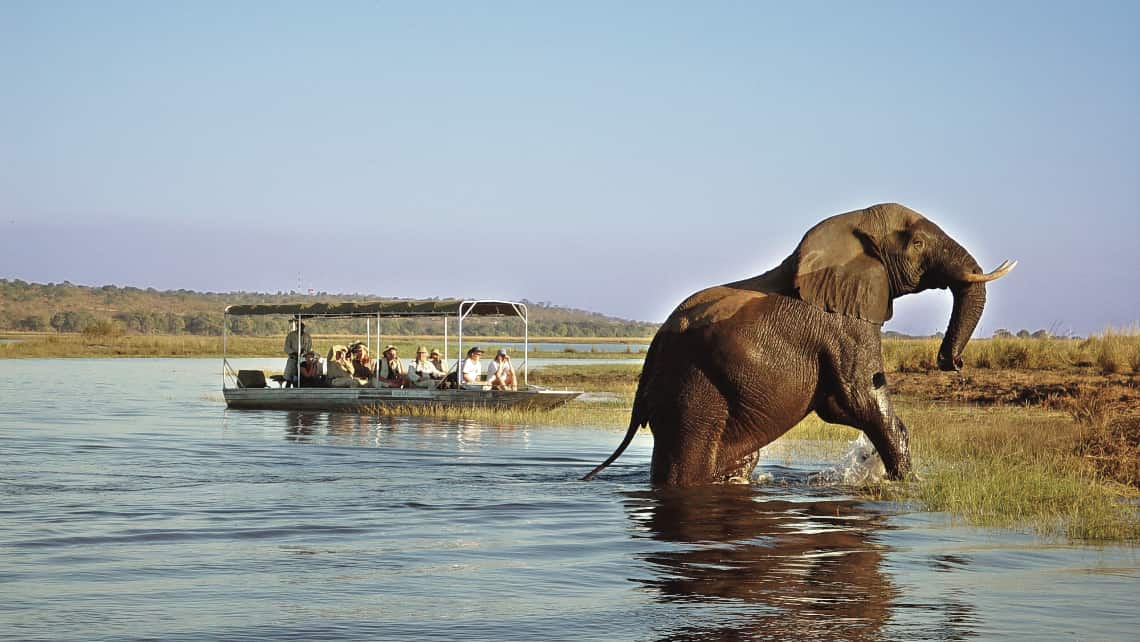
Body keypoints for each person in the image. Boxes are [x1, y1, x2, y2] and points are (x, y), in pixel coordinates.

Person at [283, 321, 312, 387]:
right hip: (293, 359)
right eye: (299, 326)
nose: (301, 327)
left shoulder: (307, 337)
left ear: (304, 327)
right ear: (297, 326)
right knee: (289, 379)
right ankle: (286, 395)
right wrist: (294, 353)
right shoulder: (291, 335)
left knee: (301, 379)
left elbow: (309, 348)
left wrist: (304, 352)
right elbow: (286, 348)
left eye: (302, 326)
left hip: (303, 360)